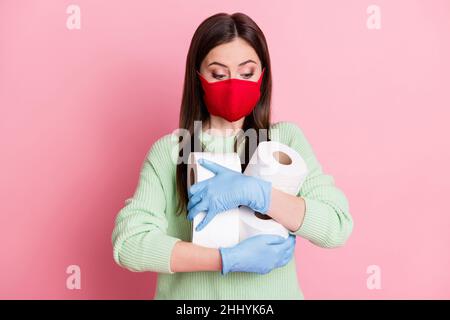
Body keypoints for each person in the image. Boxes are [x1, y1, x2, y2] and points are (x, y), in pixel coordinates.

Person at [111, 12, 353, 299]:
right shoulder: (171, 152)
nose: (234, 83)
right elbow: (129, 244)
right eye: (219, 74)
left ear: (262, 75)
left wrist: (258, 193)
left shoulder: (285, 141)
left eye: (246, 73)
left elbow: (337, 226)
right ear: (198, 77)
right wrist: (225, 259)